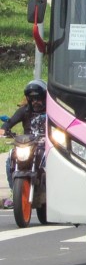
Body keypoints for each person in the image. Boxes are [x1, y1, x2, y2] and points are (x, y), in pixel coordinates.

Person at [0, 80, 47, 209]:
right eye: (32, 99)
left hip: (46, 145)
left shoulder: (53, 111)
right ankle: (14, 192)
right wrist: (4, 129)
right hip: (28, 145)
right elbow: (10, 121)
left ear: (44, 98)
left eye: (38, 99)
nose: (35, 102)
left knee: (53, 161)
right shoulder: (24, 111)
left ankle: (54, 192)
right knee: (10, 158)